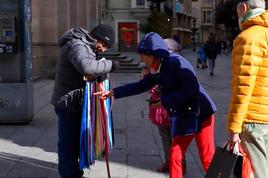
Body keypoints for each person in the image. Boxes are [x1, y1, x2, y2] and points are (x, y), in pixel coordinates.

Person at [95, 32, 216, 178]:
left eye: (143, 55)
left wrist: (164, 101)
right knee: (175, 155)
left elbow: (191, 90)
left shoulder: (176, 63)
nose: (141, 58)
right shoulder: (158, 67)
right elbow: (140, 86)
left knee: (207, 158)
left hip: (202, 114)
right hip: (185, 115)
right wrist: (114, 92)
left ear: (153, 54)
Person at [51, 24, 119, 178]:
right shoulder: (77, 45)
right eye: (105, 46)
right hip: (68, 104)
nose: (104, 50)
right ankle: (69, 174)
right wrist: (111, 65)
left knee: (76, 145)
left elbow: (90, 73)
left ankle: (75, 172)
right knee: (68, 147)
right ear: (99, 40)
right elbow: (86, 67)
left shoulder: (88, 46)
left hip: (77, 103)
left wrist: (101, 74)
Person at [227, 0, 268, 177]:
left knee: (258, 173)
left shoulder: (248, 38)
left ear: (243, 8)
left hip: (253, 120)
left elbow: (243, 88)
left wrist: (234, 129)